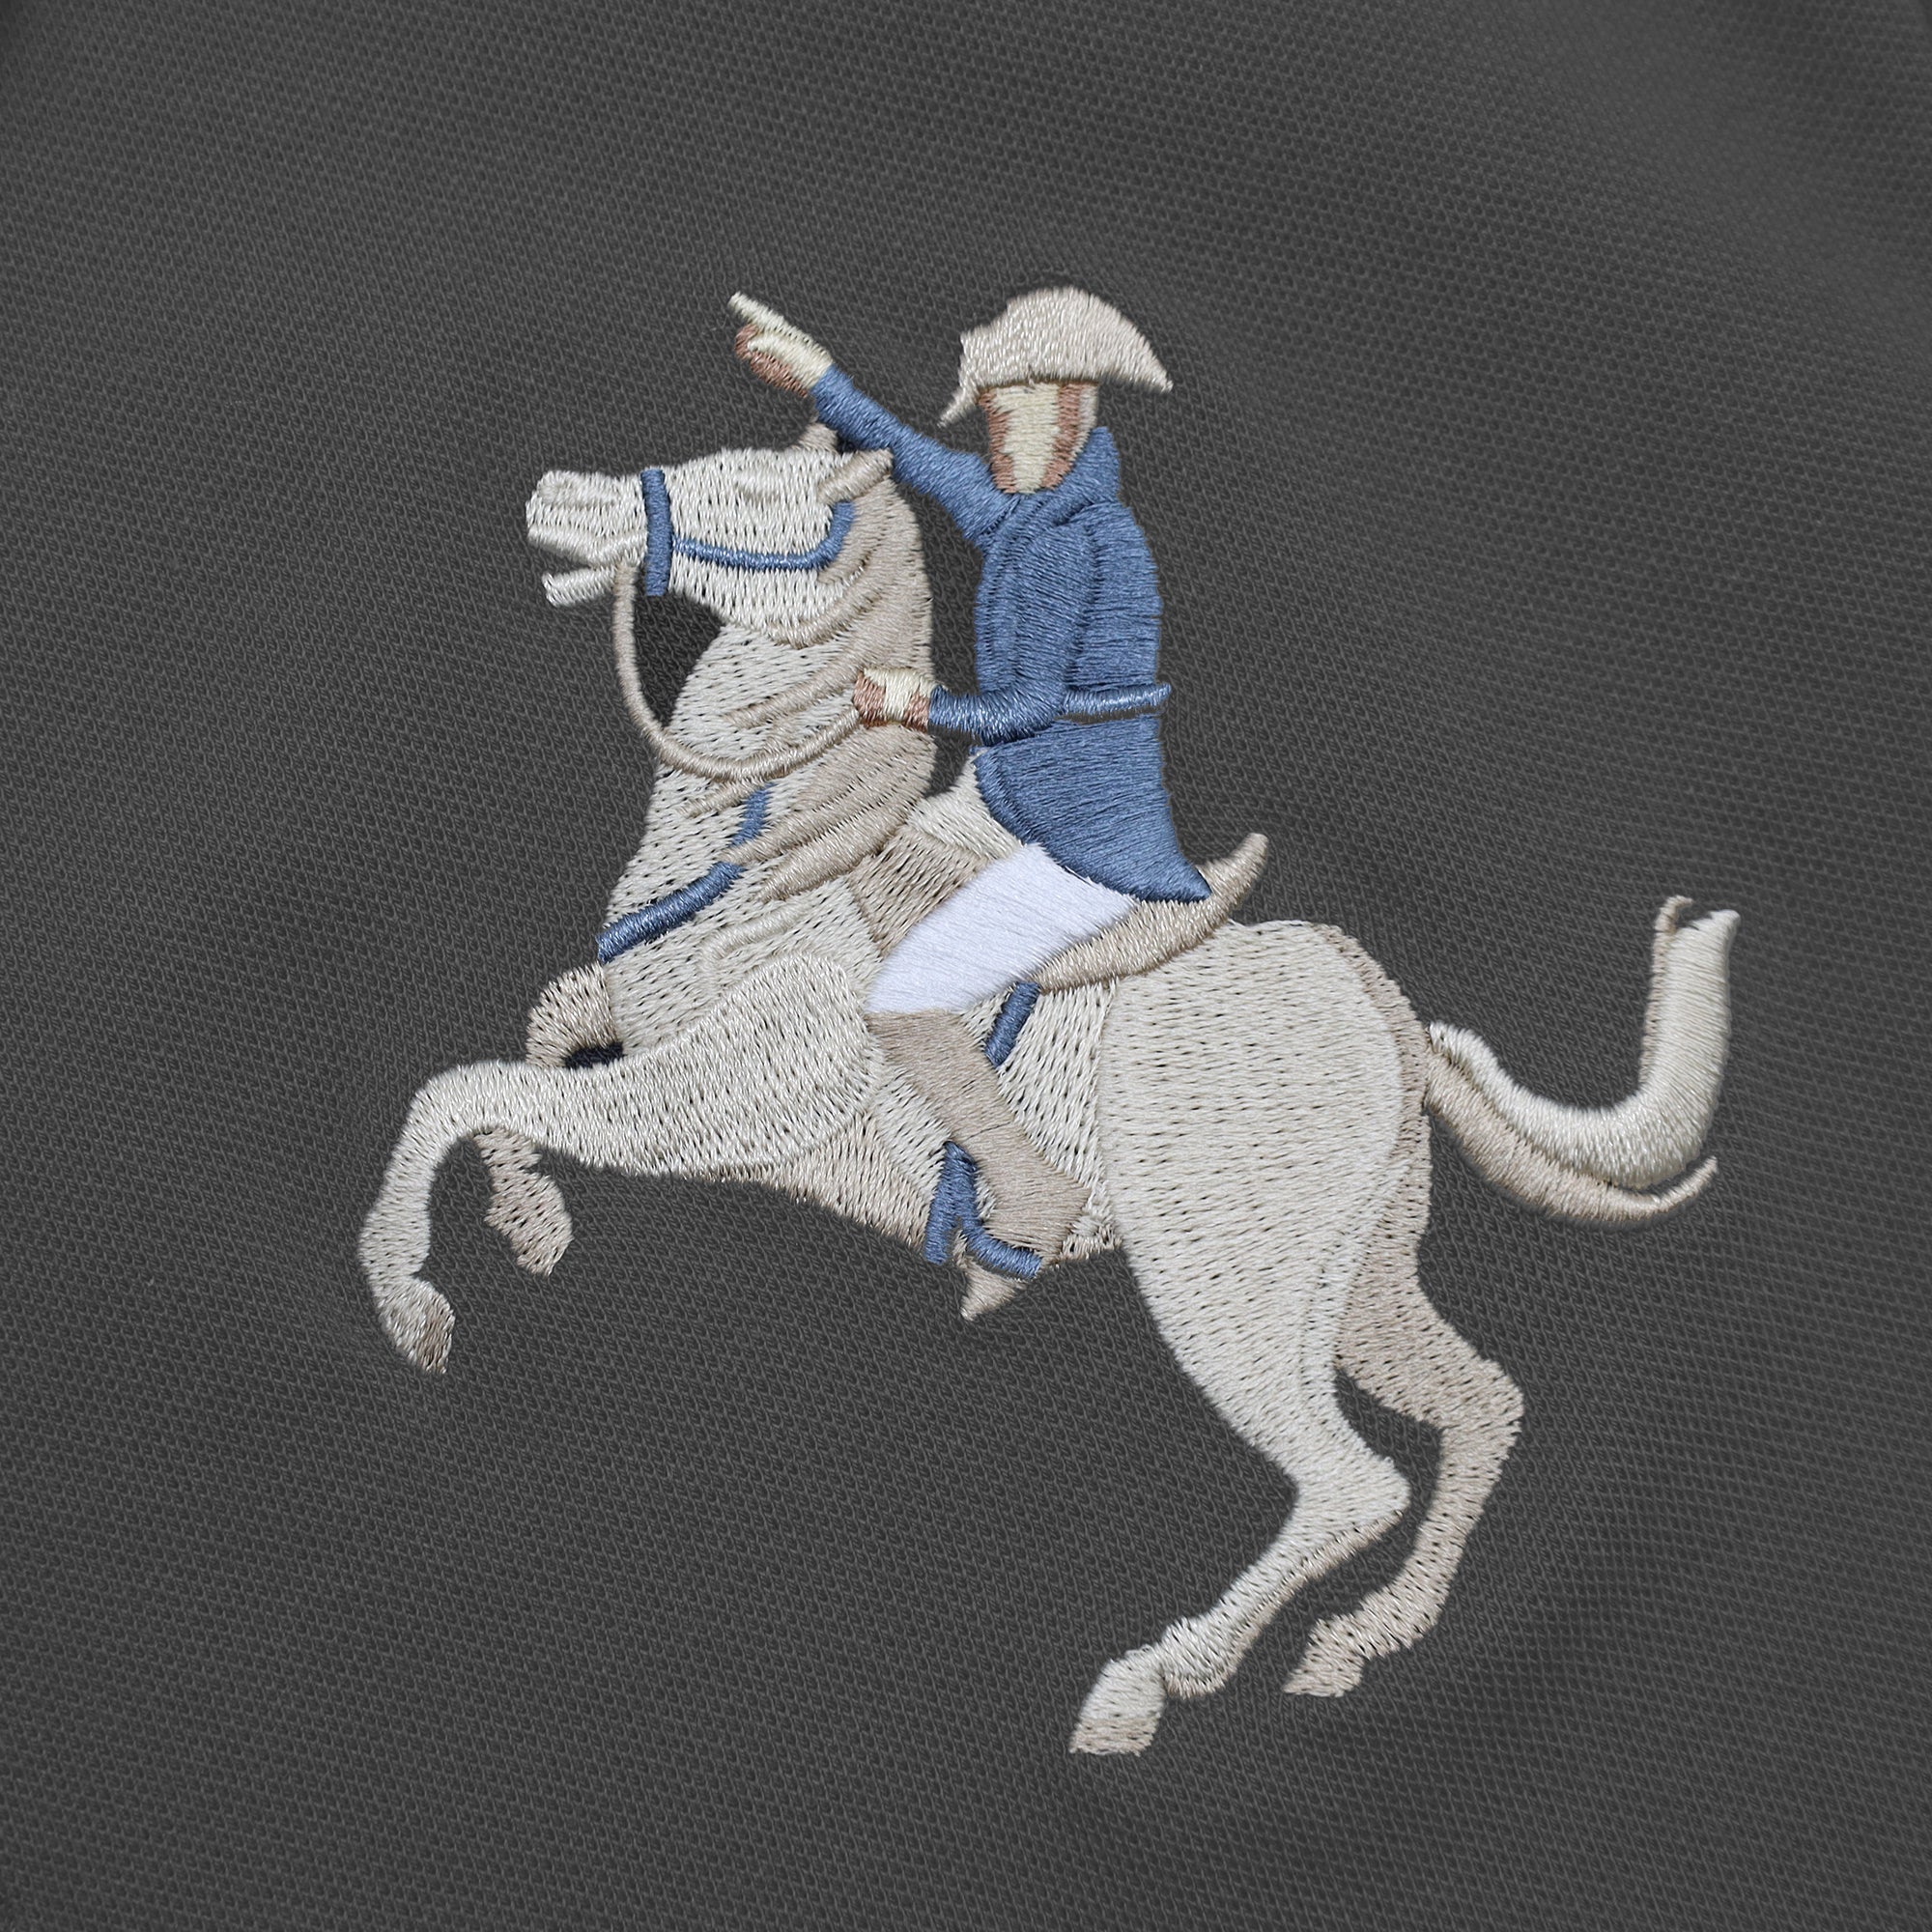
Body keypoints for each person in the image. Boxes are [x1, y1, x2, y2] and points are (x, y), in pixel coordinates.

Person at [731, 288, 1208, 1261]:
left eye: (1008, 412)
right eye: (987, 413)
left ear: (1069, 410)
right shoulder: (1026, 516)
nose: (991, 433)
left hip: (1082, 845)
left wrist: (916, 705)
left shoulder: (1077, 544)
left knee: (904, 999)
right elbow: (911, 454)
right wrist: (821, 379)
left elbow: (1027, 707)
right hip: (1003, 805)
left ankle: (1029, 1184)